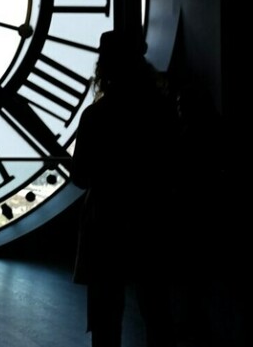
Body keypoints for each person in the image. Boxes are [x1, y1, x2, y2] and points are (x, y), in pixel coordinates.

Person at [71, 32, 176, 347]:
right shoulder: (162, 111)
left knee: (105, 314)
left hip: (105, 221)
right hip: (151, 216)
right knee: (156, 308)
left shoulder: (96, 116)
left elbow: (81, 175)